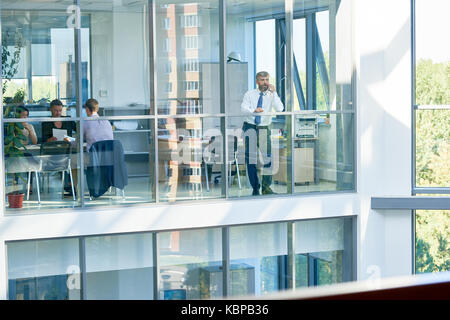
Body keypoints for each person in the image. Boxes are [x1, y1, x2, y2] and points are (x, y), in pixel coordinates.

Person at [241, 71, 284, 196]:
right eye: (262, 80)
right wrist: (253, 111)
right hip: (250, 127)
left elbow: (280, 108)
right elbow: (243, 108)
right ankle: (255, 187)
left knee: (268, 158)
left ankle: (266, 187)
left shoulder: (271, 95)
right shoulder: (250, 94)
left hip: (264, 127)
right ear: (257, 81)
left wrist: (274, 93)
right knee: (251, 160)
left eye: (266, 80)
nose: (265, 82)